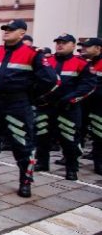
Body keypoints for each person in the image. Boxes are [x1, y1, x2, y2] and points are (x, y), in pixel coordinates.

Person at [0, 20, 58, 197]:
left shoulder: (33, 54)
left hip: (17, 105)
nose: (6, 32)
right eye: (5, 29)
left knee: (22, 144)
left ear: (22, 33)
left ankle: (25, 181)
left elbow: (51, 80)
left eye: (11, 30)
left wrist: (32, 96)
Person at [34, 33, 96, 180]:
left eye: (64, 42)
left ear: (73, 46)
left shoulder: (81, 63)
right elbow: (36, 80)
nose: (60, 45)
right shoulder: (46, 61)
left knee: (69, 140)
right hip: (46, 106)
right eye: (58, 42)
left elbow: (88, 85)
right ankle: (42, 163)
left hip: (68, 108)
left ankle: (71, 168)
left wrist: (69, 99)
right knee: (42, 136)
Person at [79, 38, 102, 175]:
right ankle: (72, 158)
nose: (84, 49)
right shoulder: (84, 62)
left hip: (99, 106)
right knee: (79, 131)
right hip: (83, 103)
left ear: (98, 48)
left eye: (88, 47)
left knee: (99, 134)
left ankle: (98, 163)